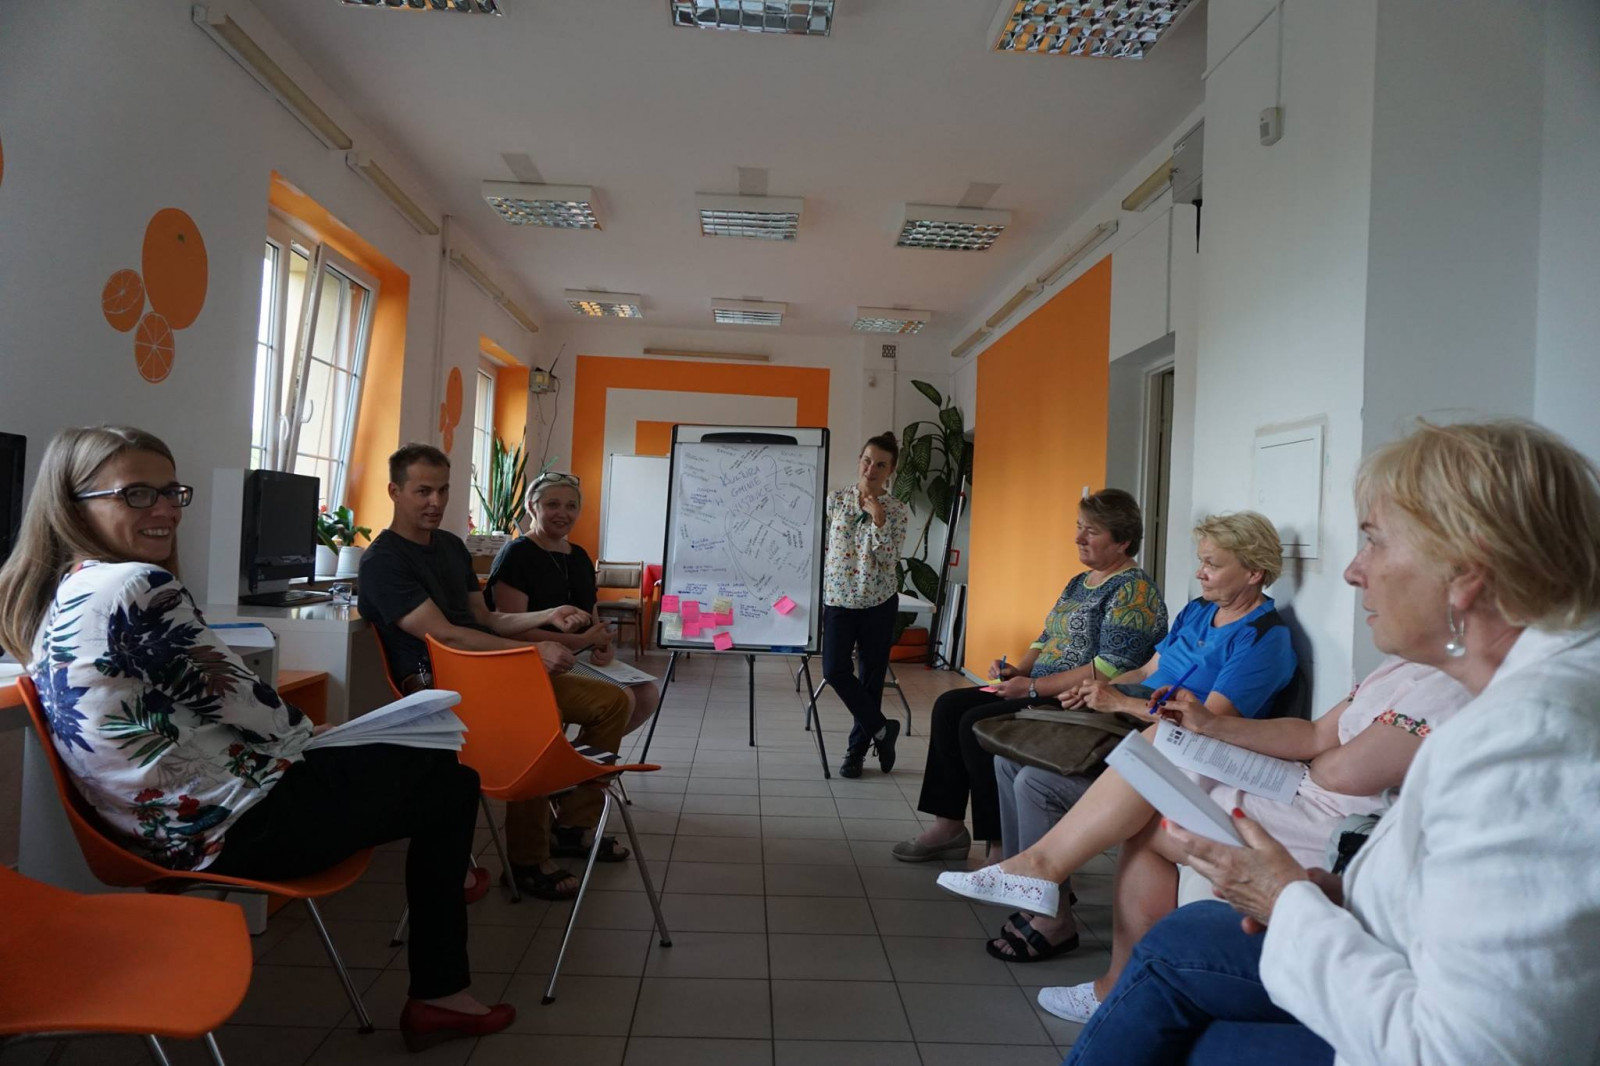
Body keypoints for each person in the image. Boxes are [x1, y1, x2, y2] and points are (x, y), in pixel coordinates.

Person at [1064, 419, 1600, 1066]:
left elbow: (1461, 1051)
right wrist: (1350, 896)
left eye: (1374, 541)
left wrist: (1284, 901)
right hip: (1390, 965)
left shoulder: (1527, 744)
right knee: (1193, 982)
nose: (1351, 572)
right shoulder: (1517, 702)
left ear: (1467, 569)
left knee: (1186, 987)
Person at [0, 426, 514, 1050]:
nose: (164, 510)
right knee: (451, 782)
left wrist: (298, 735)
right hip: (224, 828)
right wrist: (305, 731)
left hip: (143, 830)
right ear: (74, 503)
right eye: (136, 494)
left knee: (425, 775)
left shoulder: (63, 589)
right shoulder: (135, 585)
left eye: (171, 492)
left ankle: (448, 939)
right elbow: (247, 701)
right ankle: (441, 993)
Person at [988, 656, 1466, 1012]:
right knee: (1158, 753)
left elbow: (1339, 774)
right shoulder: (1402, 665)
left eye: (1213, 565)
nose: (1357, 574)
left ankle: (1090, 947)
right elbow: (1316, 735)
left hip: (1336, 825)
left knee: (1155, 818)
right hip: (1306, 788)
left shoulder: (1450, 688)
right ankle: (1044, 873)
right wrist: (1210, 725)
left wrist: (1236, 739)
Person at [937, 511, 1298, 948]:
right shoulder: (1201, 610)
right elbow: (1148, 670)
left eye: (1212, 564)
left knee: (1036, 781)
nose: (1200, 573)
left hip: (1181, 756)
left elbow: (1208, 725)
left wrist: (1120, 703)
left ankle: (1051, 918)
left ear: (1254, 572)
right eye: (1201, 561)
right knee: (1008, 760)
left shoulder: (1263, 639)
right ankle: (1028, 884)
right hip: (1130, 725)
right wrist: (1100, 690)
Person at [358, 443, 632, 901]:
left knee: (613, 702)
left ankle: (572, 824)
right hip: (440, 686)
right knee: (536, 718)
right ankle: (526, 860)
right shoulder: (384, 561)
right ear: (394, 491)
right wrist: (531, 653)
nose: (436, 502)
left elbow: (486, 620)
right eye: (423, 491)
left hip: (492, 671)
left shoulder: (450, 546)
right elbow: (446, 637)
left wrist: (548, 614)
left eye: (443, 490)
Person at [893, 492, 1169, 864]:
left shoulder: (1134, 591)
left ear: (1123, 541)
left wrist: (1034, 687)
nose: (1078, 538)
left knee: (977, 722)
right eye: (1079, 527)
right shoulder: (1079, 582)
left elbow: (1111, 667)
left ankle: (1001, 845)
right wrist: (1019, 670)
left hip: (1078, 698)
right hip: (1037, 687)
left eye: (1092, 531)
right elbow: (1046, 637)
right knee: (948, 705)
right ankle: (949, 826)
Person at [484, 470, 660, 733]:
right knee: (622, 698)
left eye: (571, 506)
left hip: (579, 655)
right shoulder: (517, 554)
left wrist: (602, 644)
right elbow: (511, 628)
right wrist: (581, 641)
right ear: (532, 507)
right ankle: (581, 757)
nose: (563, 513)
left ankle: (583, 755)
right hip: (535, 659)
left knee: (647, 695)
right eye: (552, 504)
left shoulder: (578, 555)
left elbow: (591, 610)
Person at [822, 432, 911, 778]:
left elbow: (888, 560)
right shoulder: (836, 501)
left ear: (891, 471)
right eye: (867, 460)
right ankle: (882, 729)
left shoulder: (896, 510)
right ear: (859, 460)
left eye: (881, 465)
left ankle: (855, 752)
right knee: (834, 671)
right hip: (839, 600)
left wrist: (879, 519)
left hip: (878, 602)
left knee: (871, 679)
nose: (871, 469)